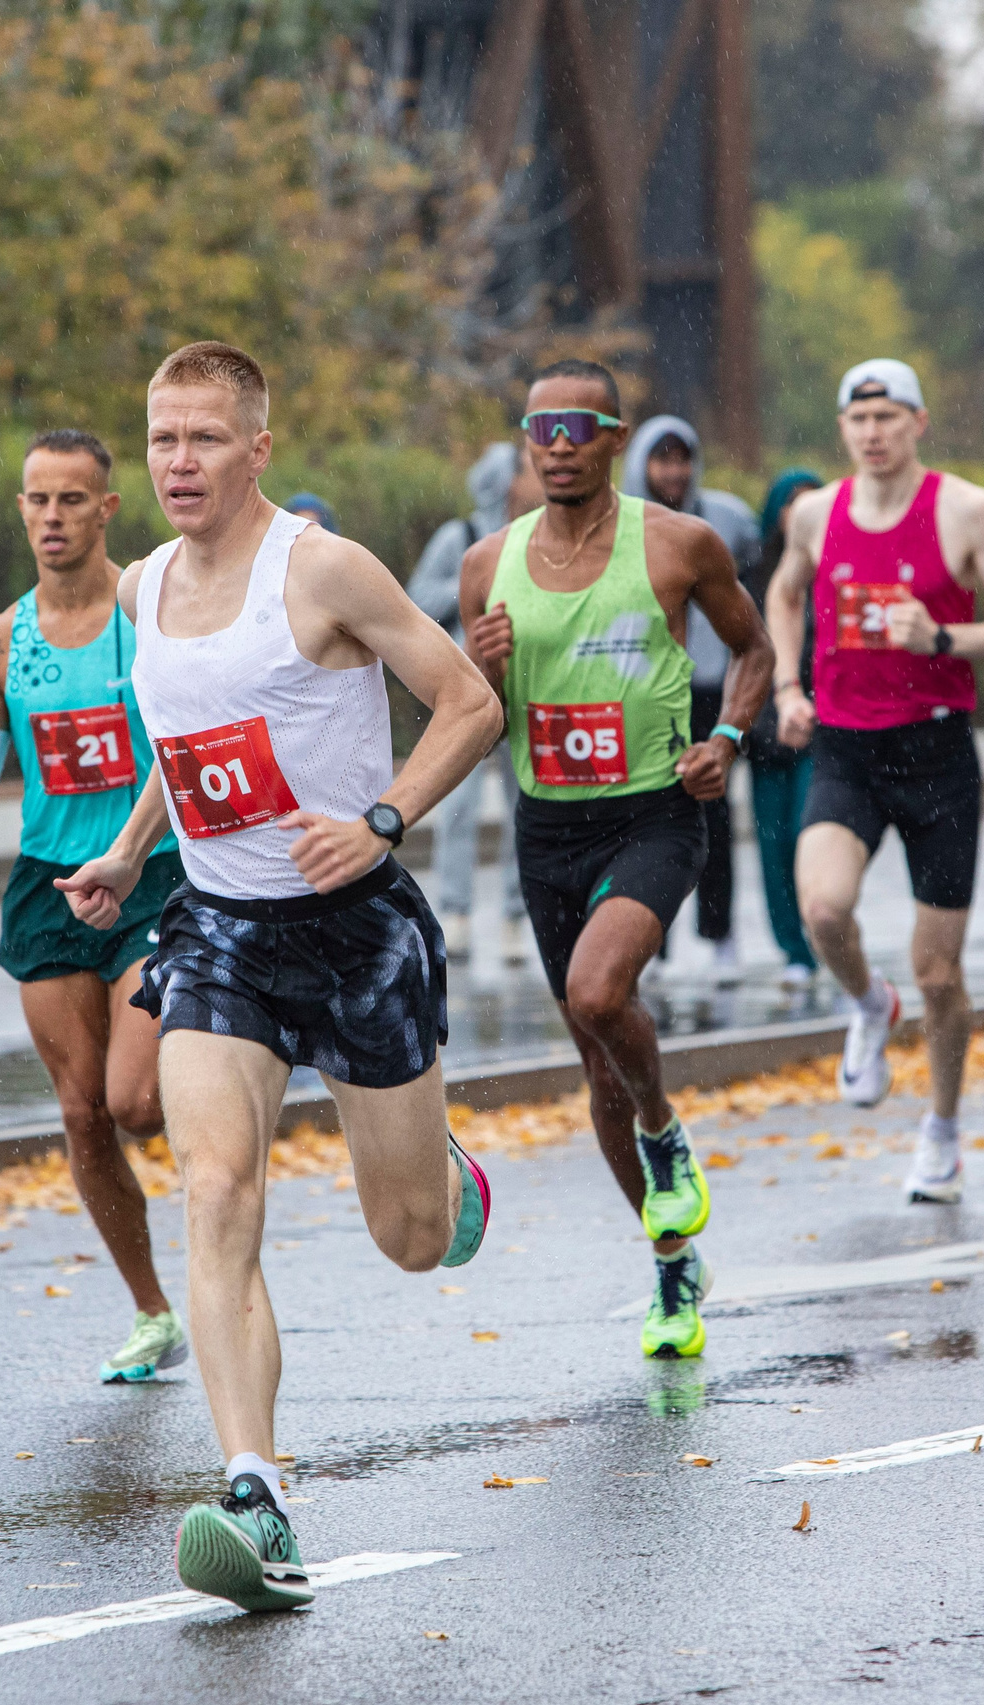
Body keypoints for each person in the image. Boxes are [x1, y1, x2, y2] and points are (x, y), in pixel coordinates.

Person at [59, 341, 499, 1614]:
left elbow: (467, 702)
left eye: (203, 440)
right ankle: (256, 1492)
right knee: (214, 1186)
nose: (178, 463)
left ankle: (445, 1172)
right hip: (222, 933)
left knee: (410, 1240)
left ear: (257, 448)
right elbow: (188, 736)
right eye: (161, 441)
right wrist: (131, 846)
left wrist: (384, 817)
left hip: (357, 927)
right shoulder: (140, 588)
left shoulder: (322, 571)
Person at [462, 358, 773, 1355]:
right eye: (538, 429)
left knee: (601, 995)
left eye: (575, 427)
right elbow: (474, 720)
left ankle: (665, 1133)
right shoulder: (485, 566)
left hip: (655, 811)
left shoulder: (679, 545)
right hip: (546, 825)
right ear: (524, 444)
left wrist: (725, 740)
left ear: (612, 437)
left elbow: (754, 651)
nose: (555, 445)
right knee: (593, 1064)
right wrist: (480, 674)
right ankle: (672, 1268)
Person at [0, 429, 190, 1385]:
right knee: (84, 1114)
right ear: (22, 509)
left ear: (106, 509)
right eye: (37, 500)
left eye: (71, 500)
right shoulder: (2, 640)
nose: (52, 517)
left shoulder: (146, 611)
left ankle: (225, 1121)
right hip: (46, 882)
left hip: (150, 872)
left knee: (136, 1103)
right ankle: (152, 1310)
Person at [769, 358, 984, 1207]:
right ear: (843, 430)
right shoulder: (815, 513)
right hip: (847, 750)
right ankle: (866, 1002)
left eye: (889, 417)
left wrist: (942, 640)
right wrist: (786, 685)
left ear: (918, 422)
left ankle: (943, 1128)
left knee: (940, 973)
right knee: (822, 907)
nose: (873, 433)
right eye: (859, 420)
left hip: (935, 757)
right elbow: (783, 595)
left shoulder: (965, 510)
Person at [624, 415, 762, 982]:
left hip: (708, 685)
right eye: (662, 459)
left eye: (683, 459)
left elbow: (757, 590)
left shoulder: (728, 520)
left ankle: (720, 933)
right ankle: (651, 944)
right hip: (642, 689)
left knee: (713, 817)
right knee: (643, 818)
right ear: (640, 464)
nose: (674, 472)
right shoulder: (621, 526)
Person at [405, 443, 534, 962]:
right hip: (467, 693)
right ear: (506, 480)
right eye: (525, 469)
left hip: (525, 693)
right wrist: (472, 595)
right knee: (458, 808)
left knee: (524, 809)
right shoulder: (459, 538)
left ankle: (515, 916)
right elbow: (414, 600)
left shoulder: (539, 537)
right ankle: (455, 912)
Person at [750, 470, 825, 987]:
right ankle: (792, 949)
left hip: (825, 731)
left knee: (810, 835)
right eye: (790, 504)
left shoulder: (841, 571)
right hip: (764, 734)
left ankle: (823, 938)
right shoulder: (753, 576)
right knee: (771, 845)